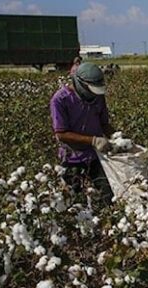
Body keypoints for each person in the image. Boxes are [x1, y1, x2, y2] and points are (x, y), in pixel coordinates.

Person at [49, 62, 116, 204]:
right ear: (80, 83)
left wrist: (118, 138)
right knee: (74, 200)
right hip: (72, 158)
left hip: (96, 156)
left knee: (109, 195)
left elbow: (104, 124)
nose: (94, 94)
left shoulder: (98, 97)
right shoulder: (60, 100)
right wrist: (93, 140)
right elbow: (61, 133)